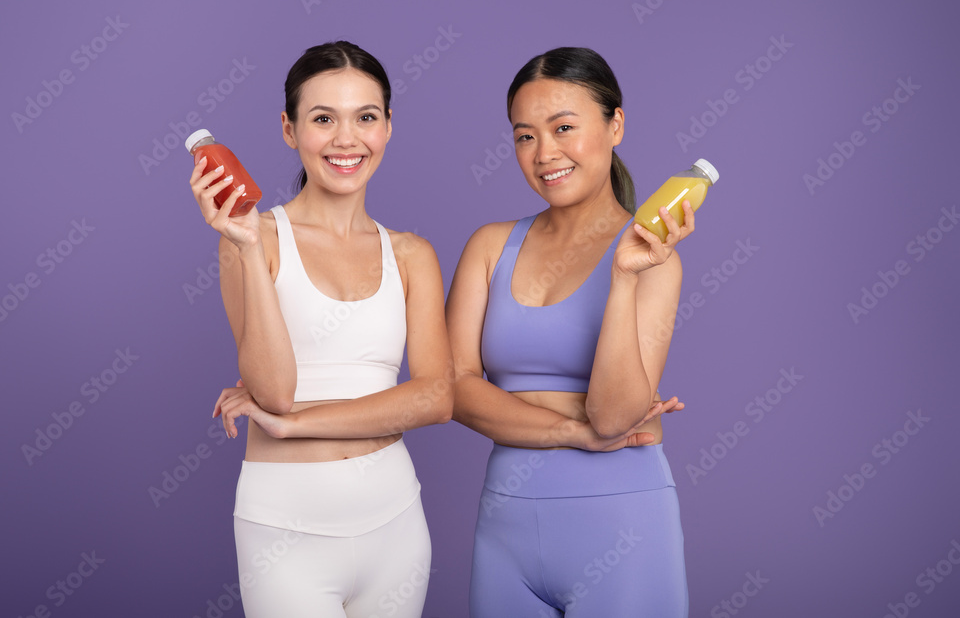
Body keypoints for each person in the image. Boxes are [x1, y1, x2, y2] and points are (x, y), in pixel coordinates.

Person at [189, 41, 453, 618]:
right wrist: (246, 248)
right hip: (285, 529)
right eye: (323, 118)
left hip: (397, 524)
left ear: (387, 127)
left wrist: (295, 426)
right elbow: (274, 391)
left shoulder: (412, 253)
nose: (345, 139)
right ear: (289, 129)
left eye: (366, 117)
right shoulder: (251, 236)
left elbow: (436, 397)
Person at [446, 47, 691, 616]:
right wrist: (573, 431)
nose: (544, 153)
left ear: (616, 125)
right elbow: (452, 389)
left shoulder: (655, 258)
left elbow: (613, 415)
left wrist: (624, 279)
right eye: (524, 136)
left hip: (622, 526)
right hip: (505, 527)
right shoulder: (490, 247)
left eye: (563, 128)